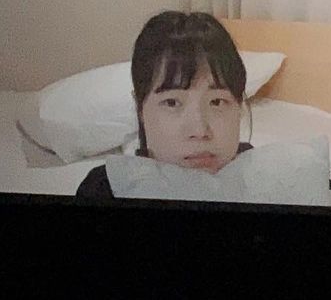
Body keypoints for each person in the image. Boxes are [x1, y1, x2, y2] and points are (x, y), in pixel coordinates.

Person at [76, 12, 252, 199]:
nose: (200, 131)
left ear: (239, 106)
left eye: (216, 102)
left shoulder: (262, 176)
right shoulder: (108, 188)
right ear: (140, 109)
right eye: (172, 103)